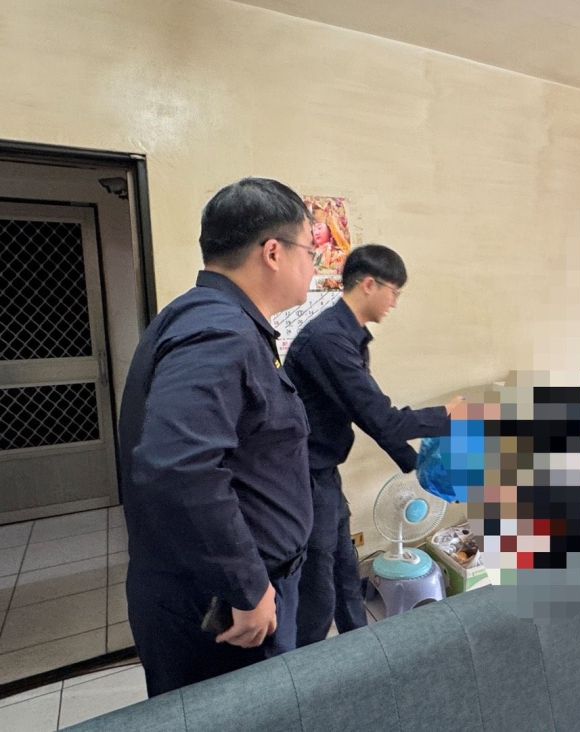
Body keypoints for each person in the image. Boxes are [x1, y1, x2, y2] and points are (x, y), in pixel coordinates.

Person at [118, 177, 318, 696]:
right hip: (226, 608)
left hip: (222, 591)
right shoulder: (220, 330)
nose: (314, 266)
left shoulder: (208, 318)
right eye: (310, 251)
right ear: (273, 252)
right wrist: (247, 586)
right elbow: (177, 465)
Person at [284, 244, 462, 646]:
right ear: (369, 284)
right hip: (303, 475)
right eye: (394, 292)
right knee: (318, 586)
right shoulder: (328, 340)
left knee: (345, 569)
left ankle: (363, 649)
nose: (395, 302)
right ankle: (303, 668)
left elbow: (371, 417)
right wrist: (447, 416)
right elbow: (383, 418)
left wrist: (418, 466)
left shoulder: (347, 336)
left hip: (323, 473)